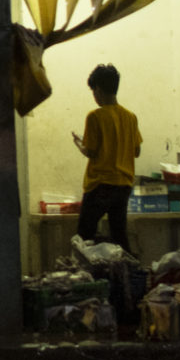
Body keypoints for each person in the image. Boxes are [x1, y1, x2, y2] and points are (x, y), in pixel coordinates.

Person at [71, 63, 143, 249]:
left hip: (100, 185)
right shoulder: (131, 117)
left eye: (93, 91)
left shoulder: (95, 116)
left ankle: (88, 268)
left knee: (84, 235)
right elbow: (136, 151)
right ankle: (127, 266)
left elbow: (91, 151)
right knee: (119, 235)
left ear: (98, 89)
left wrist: (79, 143)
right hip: (123, 185)